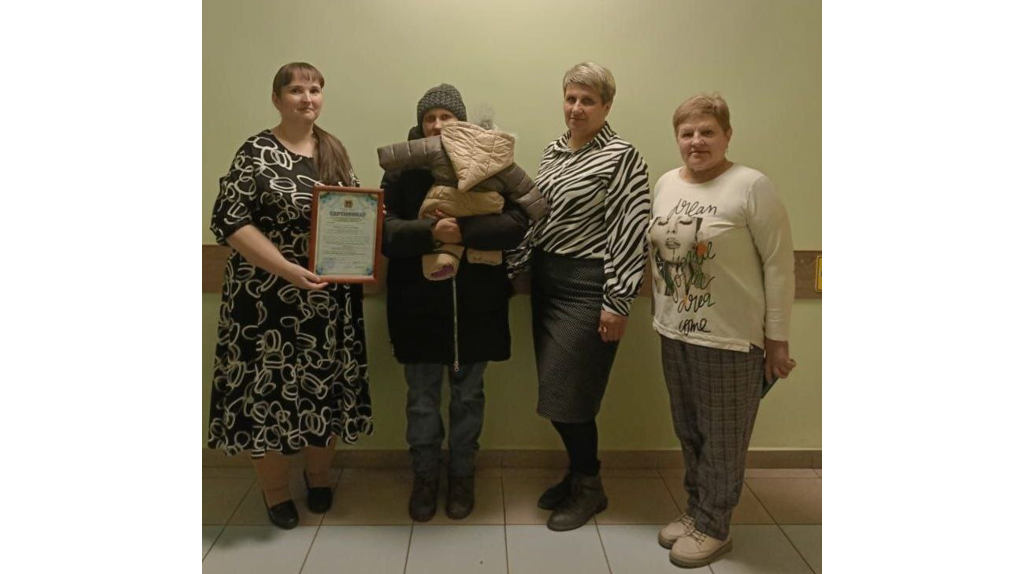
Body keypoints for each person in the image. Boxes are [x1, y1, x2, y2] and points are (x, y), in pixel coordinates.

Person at [207, 62, 373, 530]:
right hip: (266, 301)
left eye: (315, 89)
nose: (307, 97)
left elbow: (352, 213)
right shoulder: (256, 152)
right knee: (269, 393)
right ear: (277, 99)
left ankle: (318, 477)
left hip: (326, 300)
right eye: (297, 89)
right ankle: (276, 491)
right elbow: (230, 221)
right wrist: (287, 270)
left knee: (324, 389)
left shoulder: (334, 150)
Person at [648, 93, 796, 568]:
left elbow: (779, 267)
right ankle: (697, 511)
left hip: (731, 338)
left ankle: (715, 525)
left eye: (707, 131)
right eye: (687, 133)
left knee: (724, 438)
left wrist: (776, 340)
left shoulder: (751, 186)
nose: (697, 141)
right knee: (690, 431)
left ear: (727, 135)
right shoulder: (666, 183)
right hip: (675, 332)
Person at [380, 84, 532, 522]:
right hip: (417, 307)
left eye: (446, 117)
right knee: (421, 400)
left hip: (476, 307)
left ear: (460, 122)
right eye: (430, 118)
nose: (437, 125)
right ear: (420, 125)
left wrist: (463, 232)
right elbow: (385, 232)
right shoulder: (402, 171)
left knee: (469, 398)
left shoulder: (489, 162)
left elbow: (517, 223)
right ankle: (425, 476)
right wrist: (430, 233)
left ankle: (463, 475)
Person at [516, 62, 651, 531]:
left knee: (568, 395)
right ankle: (577, 474)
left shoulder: (621, 156)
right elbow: (538, 217)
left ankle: (591, 487)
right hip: (547, 281)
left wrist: (617, 302)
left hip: (588, 285)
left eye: (588, 100)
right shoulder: (553, 152)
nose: (576, 108)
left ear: (607, 106)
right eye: (571, 98)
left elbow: (630, 232)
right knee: (557, 391)